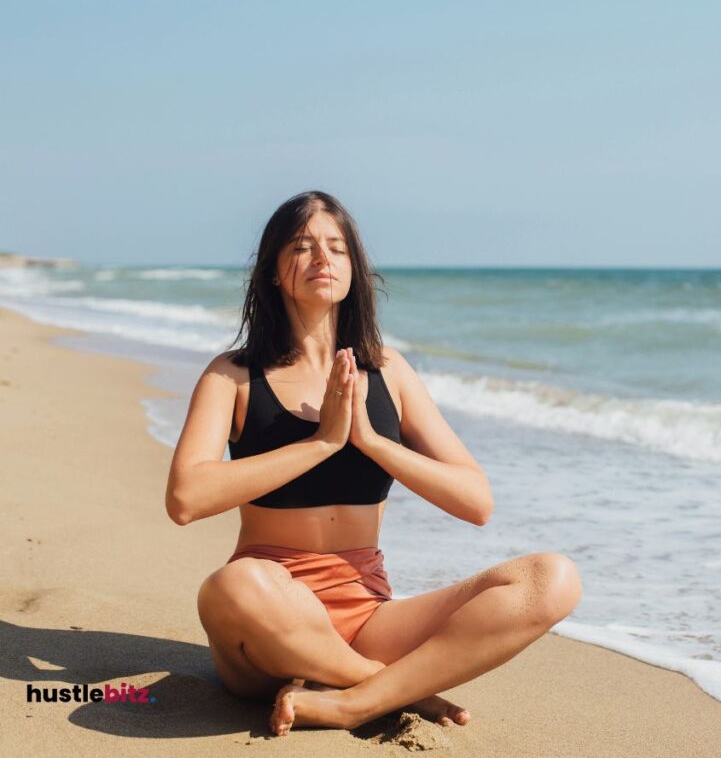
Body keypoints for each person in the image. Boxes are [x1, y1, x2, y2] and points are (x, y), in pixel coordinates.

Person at [164, 190, 582, 736]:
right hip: (270, 619)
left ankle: (350, 701)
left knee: (552, 579)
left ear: (354, 269)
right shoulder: (234, 375)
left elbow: (476, 501)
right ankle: (390, 687)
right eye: (302, 246)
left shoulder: (389, 372)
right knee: (232, 586)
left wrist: (372, 441)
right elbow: (185, 498)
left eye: (337, 249)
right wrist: (320, 444)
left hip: (368, 615)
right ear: (271, 271)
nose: (322, 259)